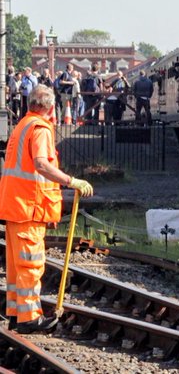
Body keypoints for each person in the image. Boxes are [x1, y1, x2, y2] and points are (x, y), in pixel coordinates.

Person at [0, 85, 93, 334]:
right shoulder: (40, 128)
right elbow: (41, 164)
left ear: (30, 104)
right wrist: (72, 181)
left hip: (15, 206)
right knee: (31, 264)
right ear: (51, 108)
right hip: (28, 207)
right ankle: (29, 317)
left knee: (17, 266)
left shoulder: (22, 126)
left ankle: (17, 314)